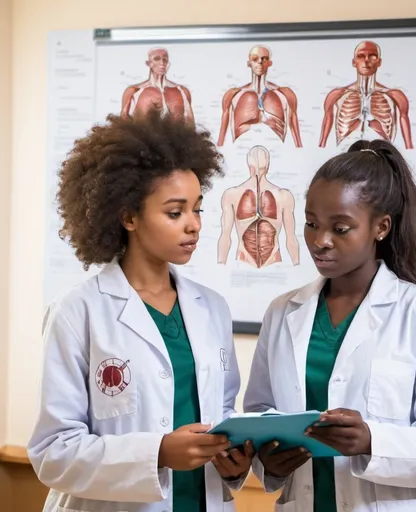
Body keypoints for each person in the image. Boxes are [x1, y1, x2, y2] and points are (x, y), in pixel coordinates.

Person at [28, 110, 254, 512]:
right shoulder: (78, 312)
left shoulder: (212, 309)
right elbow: (53, 451)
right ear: (128, 216)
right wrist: (158, 453)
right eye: (175, 212)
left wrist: (233, 464)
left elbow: (220, 414)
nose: (194, 226)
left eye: (197, 209)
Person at [243, 139, 416, 511]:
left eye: (341, 228)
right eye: (311, 224)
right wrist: (267, 462)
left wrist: (372, 440)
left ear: (380, 227)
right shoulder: (283, 312)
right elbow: (259, 414)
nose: (320, 241)